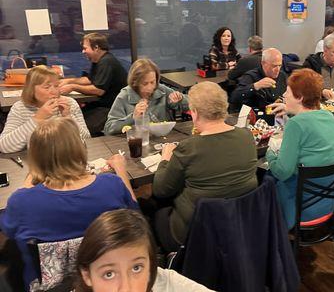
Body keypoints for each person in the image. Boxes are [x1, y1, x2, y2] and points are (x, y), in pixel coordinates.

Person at [0, 117, 137, 289]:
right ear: (80, 148)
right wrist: (121, 171)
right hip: (105, 280)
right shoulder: (112, 184)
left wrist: (28, 182)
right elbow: (135, 216)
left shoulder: (21, 202)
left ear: (34, 157)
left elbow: (9, 230)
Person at [152, 82, 257, 251]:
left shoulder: (189, 147)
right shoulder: (246, 136)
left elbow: (160, 190)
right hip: (238, 223)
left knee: (156, 213)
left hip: (194, 232)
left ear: (194, 113)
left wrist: (165, 159)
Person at [266, 69, 334, 228]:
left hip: (301, 203)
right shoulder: (328, 116)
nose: (284, 95)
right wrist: (291, 109)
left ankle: (272, 235)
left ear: (300, 97)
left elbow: (282, 171)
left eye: (287, 92)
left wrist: (270, 153)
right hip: (327, 198)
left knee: (267, 176)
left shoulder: (296, 125)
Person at [75, 209, 212, 292]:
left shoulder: (164, 281)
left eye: (136, 268)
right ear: (87, 276)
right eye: (109, 274)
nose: (127, 288)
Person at [0, 66, 90, 153]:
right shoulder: (20, 108)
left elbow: (87, 139)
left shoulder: (70, 103)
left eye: (56, 86)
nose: (54, 91)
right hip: (35, 162)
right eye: (47, 87)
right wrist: (37, 119)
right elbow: (4, 146)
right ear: (31, 89)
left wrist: (68, 117)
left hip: (65, 159)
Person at [59, 33, 127, 136]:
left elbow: (98, 90)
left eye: (85, 48)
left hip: (110, 107)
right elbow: (90, 79)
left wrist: (72, 87)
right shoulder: (98, 60)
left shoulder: (107, 62)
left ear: (96, 48)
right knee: (77, 116)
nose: (83, 51)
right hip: (101, 104)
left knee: (81, 127)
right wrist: (69, 81)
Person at [104, 59, 187, 135]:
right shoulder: (124, 96)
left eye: (152, 82)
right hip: (138, 141)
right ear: (135, 83)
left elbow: (192, 104)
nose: (150, 87)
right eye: (145, 83)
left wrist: (179, 100)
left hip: (164, 139)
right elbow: (108, 129)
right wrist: (133, 117)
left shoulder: (161, 89)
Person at [303, 33, 334, 100]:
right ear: (325, 50)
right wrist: (321, 92)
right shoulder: (311, 64)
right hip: (317, 104)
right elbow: (303, 88)